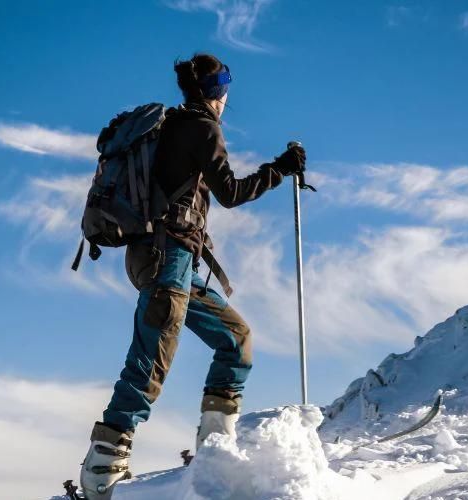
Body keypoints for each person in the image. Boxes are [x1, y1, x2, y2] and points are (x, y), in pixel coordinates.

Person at [79, 53, 307, 499]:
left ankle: (216, 450)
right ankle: (101, 474)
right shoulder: (202, 128)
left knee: (236, 340)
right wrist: (280, 168)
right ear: (218, 92)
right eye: (225, 90)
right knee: (149, 363)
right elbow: (232, 193)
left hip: (160, 259)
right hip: (169, 259)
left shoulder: (167, 125)